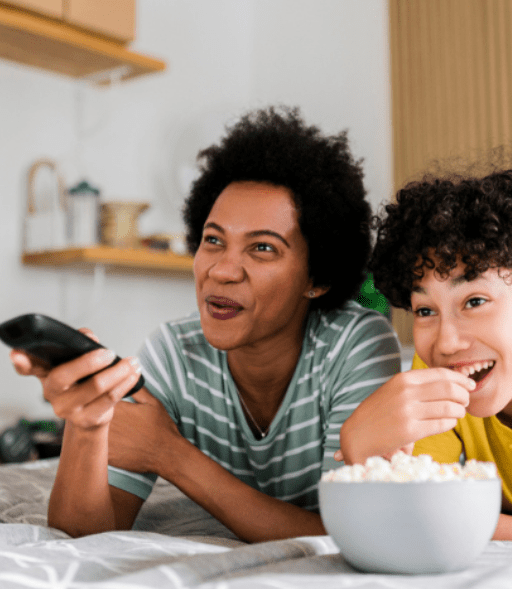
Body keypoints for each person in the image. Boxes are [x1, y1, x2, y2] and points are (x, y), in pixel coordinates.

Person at [11, 106, 401, 541]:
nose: (222, 270)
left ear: (317, 278)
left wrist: (169, 454)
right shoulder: (173, 353)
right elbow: (85, 534)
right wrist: (87, 427)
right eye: (213, 240)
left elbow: (350, 535)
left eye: (263, 249)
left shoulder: (358, 344)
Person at [338, 163, 512, 548]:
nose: (447, 342)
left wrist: (481, 524)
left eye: (474, 301)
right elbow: (415, 517)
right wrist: (363, 451)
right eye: (425, 311)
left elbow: (441, 517)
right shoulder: (440, 368)